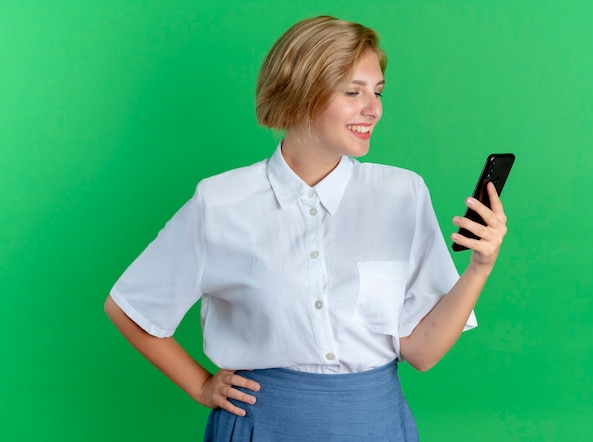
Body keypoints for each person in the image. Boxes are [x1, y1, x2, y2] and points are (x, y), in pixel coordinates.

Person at [104, 15, 508, 441]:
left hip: (375, 423)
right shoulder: (221, 202)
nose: (373, 109)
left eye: (378, 91)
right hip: (261, 424)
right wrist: (202, 385)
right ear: (300, 94)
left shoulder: (402, 193)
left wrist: (480, 267)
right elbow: (130, 308)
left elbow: (421, 352)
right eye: (353, 92)